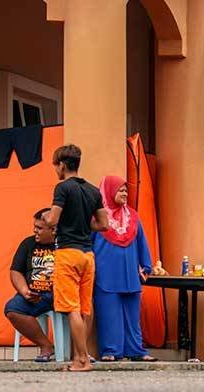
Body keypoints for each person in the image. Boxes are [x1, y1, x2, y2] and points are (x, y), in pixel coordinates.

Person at [45, 145, 109, 372]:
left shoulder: (62, 188)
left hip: (67, 254)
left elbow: (52, 221)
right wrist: (83, 223)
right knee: (85, 307)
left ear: (62, 165)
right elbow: (103, 224)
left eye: (55, 166)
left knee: (71, 308)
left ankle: (82, 360)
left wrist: (48, 216)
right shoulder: (93, 191)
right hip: (87, 255)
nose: (55, 170)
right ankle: (80, 358)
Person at [93, 176, 154, 362]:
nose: (125, 193)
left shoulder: (133, 217)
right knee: (108, 315)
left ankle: (136, 351)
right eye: (120, 190)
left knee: (132, 316)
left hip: (129, 274)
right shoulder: (96, 218)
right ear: (109, 192)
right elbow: (88, 243)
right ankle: (110, 351)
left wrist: (146, 265)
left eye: (126, 190)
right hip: (105, 274)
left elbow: (141, 242)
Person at [5, 209, 57, 362]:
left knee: (83, 309)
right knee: (13, 309)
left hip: (60, 295)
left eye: (40, 228)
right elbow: (15, 271)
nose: (35, 230)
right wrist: (25, 291)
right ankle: (46, 345)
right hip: (35, 295)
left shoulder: (65, 245)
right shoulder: (28, 243)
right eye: (34, 226)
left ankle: (81, 353)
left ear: (53, 230)